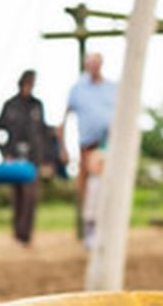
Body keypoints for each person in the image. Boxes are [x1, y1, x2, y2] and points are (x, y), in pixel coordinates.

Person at [57, 52, 116, 240]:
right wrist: (63, 147)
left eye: (97, 64)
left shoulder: (112, 88)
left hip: (111, 145)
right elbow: (64, 119)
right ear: (85, 65)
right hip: (88, 146)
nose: (93, 67)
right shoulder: (78, 89)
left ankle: (107, 227)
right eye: (90, 64)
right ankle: (90, 227)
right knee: (90, 187)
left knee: (109, 187)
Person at [0, 69, 48, 247]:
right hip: (14, 157)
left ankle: (26, 235)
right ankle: (17, 233)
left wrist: (46, 158)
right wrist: (5, 152)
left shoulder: (37, 105)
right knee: (17, 196)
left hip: (33, 159)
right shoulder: (11, 105)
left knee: (30, 195)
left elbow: (43, 133)